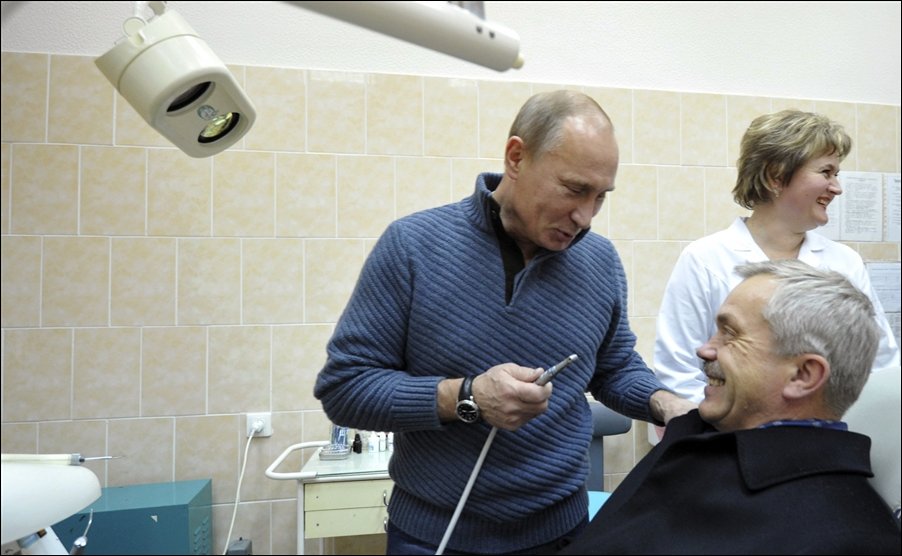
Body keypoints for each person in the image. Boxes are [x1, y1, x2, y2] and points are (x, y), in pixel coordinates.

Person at [314, 90, 695, 555]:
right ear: (517, 157)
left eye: (600, 197)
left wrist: (663, 402)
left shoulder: (600, 261)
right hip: (434, 536)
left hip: (562, 533)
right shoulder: (413, 247)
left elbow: (613, 368)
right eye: (574, 189)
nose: (585, 216)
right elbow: (345, 388)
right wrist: (467, 396)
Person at [561, 259, 902, 555]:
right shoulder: (695, 433)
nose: (705, 350)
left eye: (730, 334)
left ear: (803, 375)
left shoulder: (847, 539)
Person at [654, 109, 900, 407]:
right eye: (826, 172)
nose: (837, 188)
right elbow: (677, 374)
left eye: (836, 174)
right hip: (730, 431)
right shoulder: (705, 259)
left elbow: (881, 366)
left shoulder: (845, 262)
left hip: (830, 430)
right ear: (776, 176)